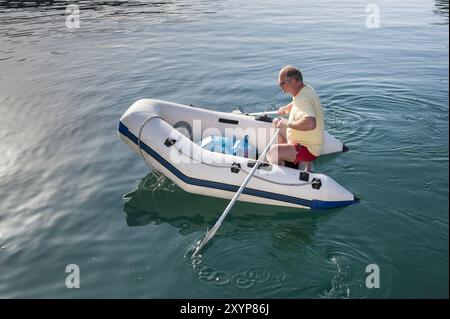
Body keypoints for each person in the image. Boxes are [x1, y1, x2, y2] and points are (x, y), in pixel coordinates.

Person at [267, 65, 324, 170]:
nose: (280, 87)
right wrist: (288, 107)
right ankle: (288, 160)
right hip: (303, 140)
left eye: (282, 83)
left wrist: (287, 123)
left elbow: (311, 123)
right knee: (277, 121)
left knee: (272, 153)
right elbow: (300, 101)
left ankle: (284, 171)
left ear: (293, 81)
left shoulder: (302, 99)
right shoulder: (305, 89)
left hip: (307, 148)